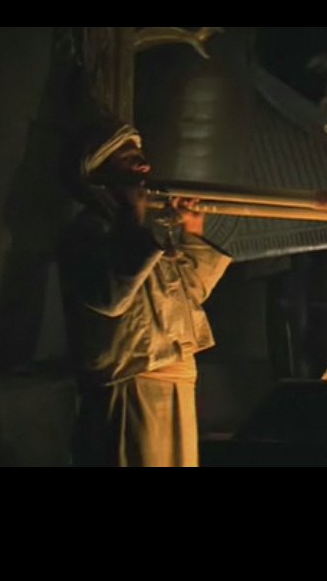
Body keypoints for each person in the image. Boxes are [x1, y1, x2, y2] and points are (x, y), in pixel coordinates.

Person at [60, 123, 231, 467]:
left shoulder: (140, 230)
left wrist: (192, 232)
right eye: (129, 159)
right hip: (134, 381)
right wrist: (132, 217)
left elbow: (188, 295)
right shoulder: (90, 230)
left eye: (141, 157)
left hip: (176, 376)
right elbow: (111, 297)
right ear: (101, 170)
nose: (144, 166)